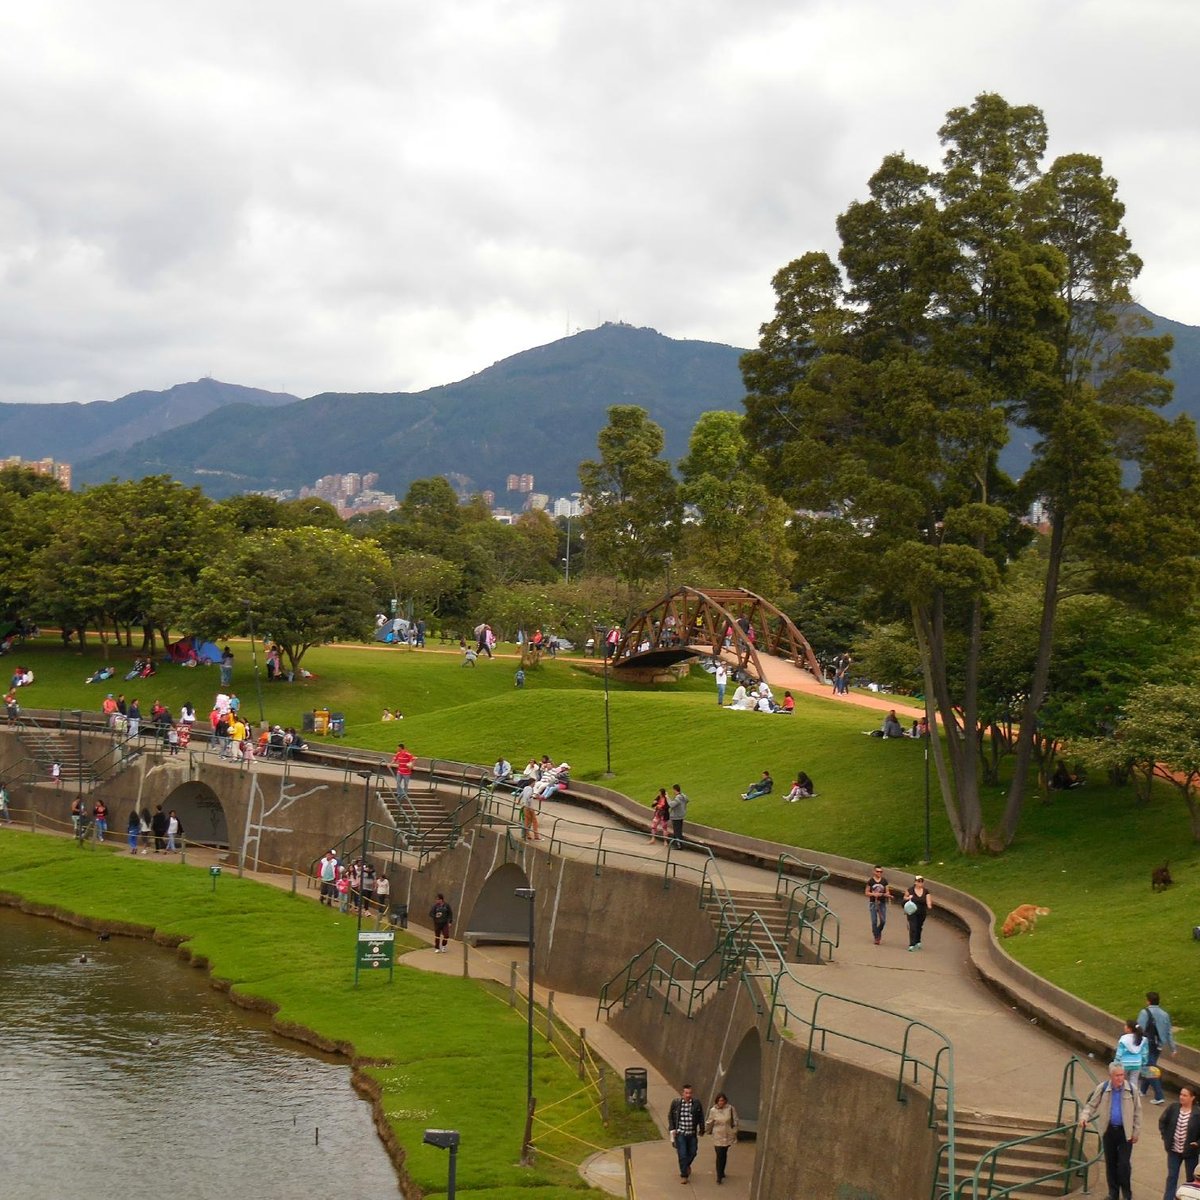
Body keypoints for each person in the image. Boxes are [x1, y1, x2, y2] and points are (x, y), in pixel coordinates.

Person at [1079, 1062, 1141, 1200]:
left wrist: (1136, 1132)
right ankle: (1113, 1193)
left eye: (1122, 1075)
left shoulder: (1131, 1089)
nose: (1120, 1078)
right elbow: (1091, 1105)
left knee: (1124, 1165)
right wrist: (1084, 1117)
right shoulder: (1103, 1088)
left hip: (1125, 1132)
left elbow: (1138, 1111)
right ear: (1111, 1076)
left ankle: (1127, 1194)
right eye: (1117, 1075)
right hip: (1109, 1131)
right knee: (1111, 1163)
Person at [1159, 1084, 1200, 1200]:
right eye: (1181, 1094)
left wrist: (1197, 1143)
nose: (1181, 1097)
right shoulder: (1173, 1108)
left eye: (1185, 1095)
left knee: (1191, 1178)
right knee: (1172, 1177)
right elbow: (1162, 1121)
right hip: (1173, 1150)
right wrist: (1165, 1136)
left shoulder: (1198, 1113)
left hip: (1191, 1153)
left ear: (1192, 1098)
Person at [1138, 991, 1177, 1105]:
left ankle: (1159, 1095)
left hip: (1147, 1044)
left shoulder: (1145, 1012)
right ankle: (1143, 1090)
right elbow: (1169, 1032)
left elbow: (1139, 1029)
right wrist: (1173, 1048)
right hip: (1158, 1045)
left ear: (1148, 1001)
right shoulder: (1165, 1015)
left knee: (1148, 1068)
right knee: (1151, 1065)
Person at [668, 1084, 705, 1184]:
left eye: (690, 1093)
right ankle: (684, 1174)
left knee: (693, 1152)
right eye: (686, 1093)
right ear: (682, 1093)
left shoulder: (696, 1103)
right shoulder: (676, 1103)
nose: (688, 1095)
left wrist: (702, 1129)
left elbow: (701, 1117)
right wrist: (672, 1129)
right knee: (682, 1154)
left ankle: (686, 1165)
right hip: (681, 1133)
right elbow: (670, 1116)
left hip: (692, 1133)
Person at [705, 1091, 737, 1185]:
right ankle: (719, 1176)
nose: (721, 1102)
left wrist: (734, 1131)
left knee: (724, 1154)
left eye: (722, 1100)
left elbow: (735, 1121)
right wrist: (706, 1130)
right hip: (718, 1135)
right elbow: (709, 1122)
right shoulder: (713, 1110)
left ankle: (722, 1171)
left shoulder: (730, 1109)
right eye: (719, 1101)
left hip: (727, 1135)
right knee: (719, 1154)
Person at [1115, 1019, 1149, 1095]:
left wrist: (1115, 1064)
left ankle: (1121, 1096)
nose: (1124, 1027)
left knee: (1121, 1081)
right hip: (1137, 1064)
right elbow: (1144, 1053)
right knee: (1134, 1082)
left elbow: (1119, 1053)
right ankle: (1134, 1098)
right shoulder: (1143, 1039)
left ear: (1129, 1029)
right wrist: (1144, 1063)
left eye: (1125, 1025)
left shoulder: (1123, 1039)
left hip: (1124, 1064)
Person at [902, 875, 932, 951]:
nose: (920, 883)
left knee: (919, 927)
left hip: (922, 912)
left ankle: (918, 941)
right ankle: (912, 944)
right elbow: (904, 898)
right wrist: (909, 897)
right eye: (918, 881)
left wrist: (929, 905)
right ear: (915, 882)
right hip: (912, 911)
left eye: (921, 881)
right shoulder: (910, 890)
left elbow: (928, 899)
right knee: (913, 927)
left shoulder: (926, 891)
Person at [865, 865, 892, 945]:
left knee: (883, 921)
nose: (879, 873)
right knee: (874, 921)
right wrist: (874, 894)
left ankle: (878, 931)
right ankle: (876, 937)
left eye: (881, 871)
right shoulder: (871, 881)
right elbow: (866, 892)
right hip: (873, 903)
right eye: (877, 871)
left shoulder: (884, 881)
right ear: (874, 872)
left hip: (882, 903)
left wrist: (887, 895)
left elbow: (887, 891)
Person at [668, 784, 688, 848]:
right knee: (678, 831)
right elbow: (687, 800)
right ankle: (676, 843)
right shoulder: (683, 796)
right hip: (681, 815)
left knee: (677, 831)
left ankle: (679, 845)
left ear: (675, 789)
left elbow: (671, 805)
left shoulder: (678, 798)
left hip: (676, 816)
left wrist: (667, 798)